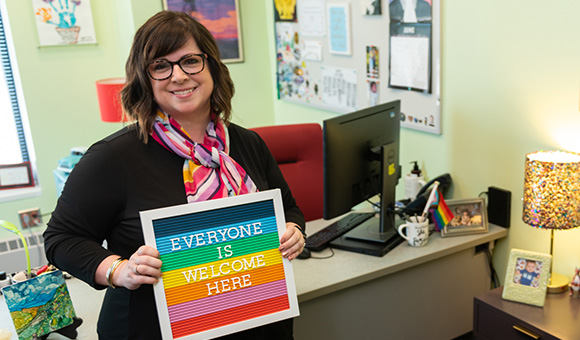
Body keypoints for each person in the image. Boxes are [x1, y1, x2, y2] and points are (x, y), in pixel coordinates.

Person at [43, 11, 306, 340]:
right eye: (160, 66)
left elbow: (289, 208)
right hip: (151, 328)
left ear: (211, 66)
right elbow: (61, 239)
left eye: (190, 61)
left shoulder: (246, 143)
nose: (179, 76)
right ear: (145, 78)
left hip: (257, 321)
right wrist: (119, 269)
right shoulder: (112, 157)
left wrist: (294, 230)